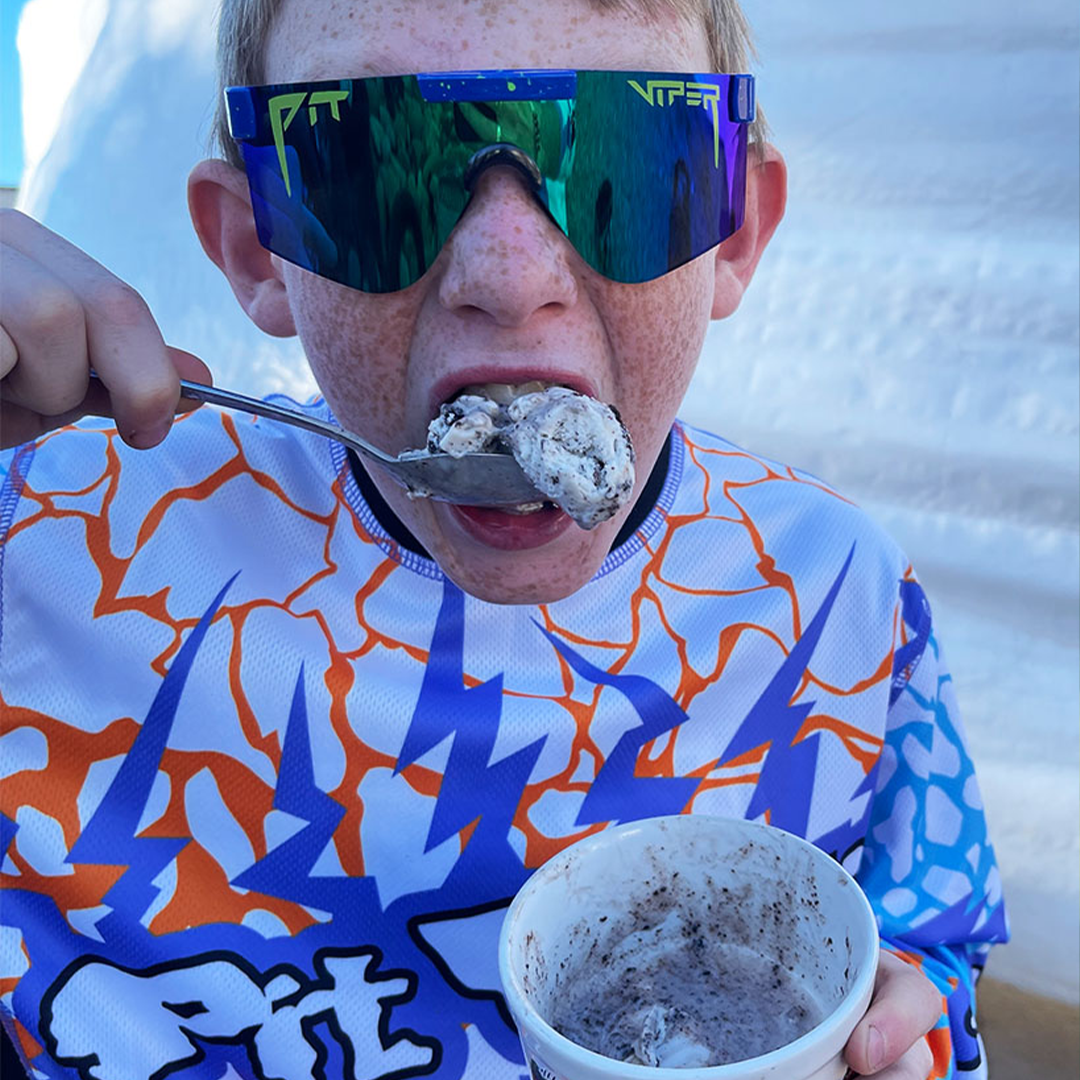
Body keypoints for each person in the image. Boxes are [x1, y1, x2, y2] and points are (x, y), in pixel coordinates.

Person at [0, 0, 1007, 1077]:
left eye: (622, 159)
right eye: (373, 163)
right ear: (258, 246)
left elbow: (930, 937)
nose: (509, 278)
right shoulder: (47, 554)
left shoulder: (837, 596)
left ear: (735, 230)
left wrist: (907, 1024)